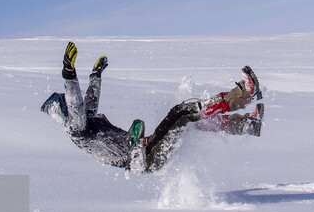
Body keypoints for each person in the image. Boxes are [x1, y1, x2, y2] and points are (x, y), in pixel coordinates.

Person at [41, 42, 264, 175]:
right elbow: (77, 106)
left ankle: (246, 125)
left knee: (192, 125)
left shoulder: (84, 123)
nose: (74, 106)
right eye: (67, 104)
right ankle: (245, 94)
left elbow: (87, 102)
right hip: (143, 158)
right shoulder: (76, 128)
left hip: (147, 148)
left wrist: (95, 75)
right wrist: (68, 74)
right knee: (182, 113)